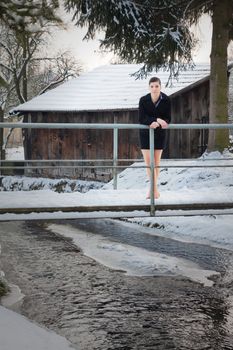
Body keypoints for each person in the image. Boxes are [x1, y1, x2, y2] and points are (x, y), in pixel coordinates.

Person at [139, 77, 171, 199]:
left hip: (159, 134)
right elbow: (141, 118)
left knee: (156, 162)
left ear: (160, 87)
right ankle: (153, 190)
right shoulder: (143, 100)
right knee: (149, 163)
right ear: (149, 87)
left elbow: (168, 118)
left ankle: (153, 190)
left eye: (156, 86)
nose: (154, 88)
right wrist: (155, 120)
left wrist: (160, 122)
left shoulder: (166, 100)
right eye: (152, 86)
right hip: (145, 133)